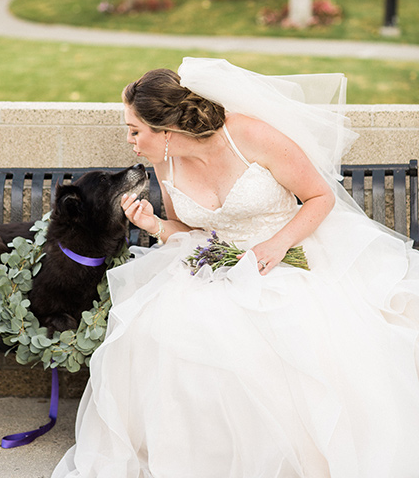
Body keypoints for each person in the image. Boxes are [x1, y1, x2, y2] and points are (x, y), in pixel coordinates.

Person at [52, 57, 419, 478]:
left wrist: (276, 245)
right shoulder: (164, 162)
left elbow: (320, 197)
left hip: (290, 254)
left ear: (165, 130)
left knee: (290, 334)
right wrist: (152, 224)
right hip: (219, 264)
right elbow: (191, 230)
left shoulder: (248, 134)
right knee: (166, 333)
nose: (132, 142)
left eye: (136, 131)